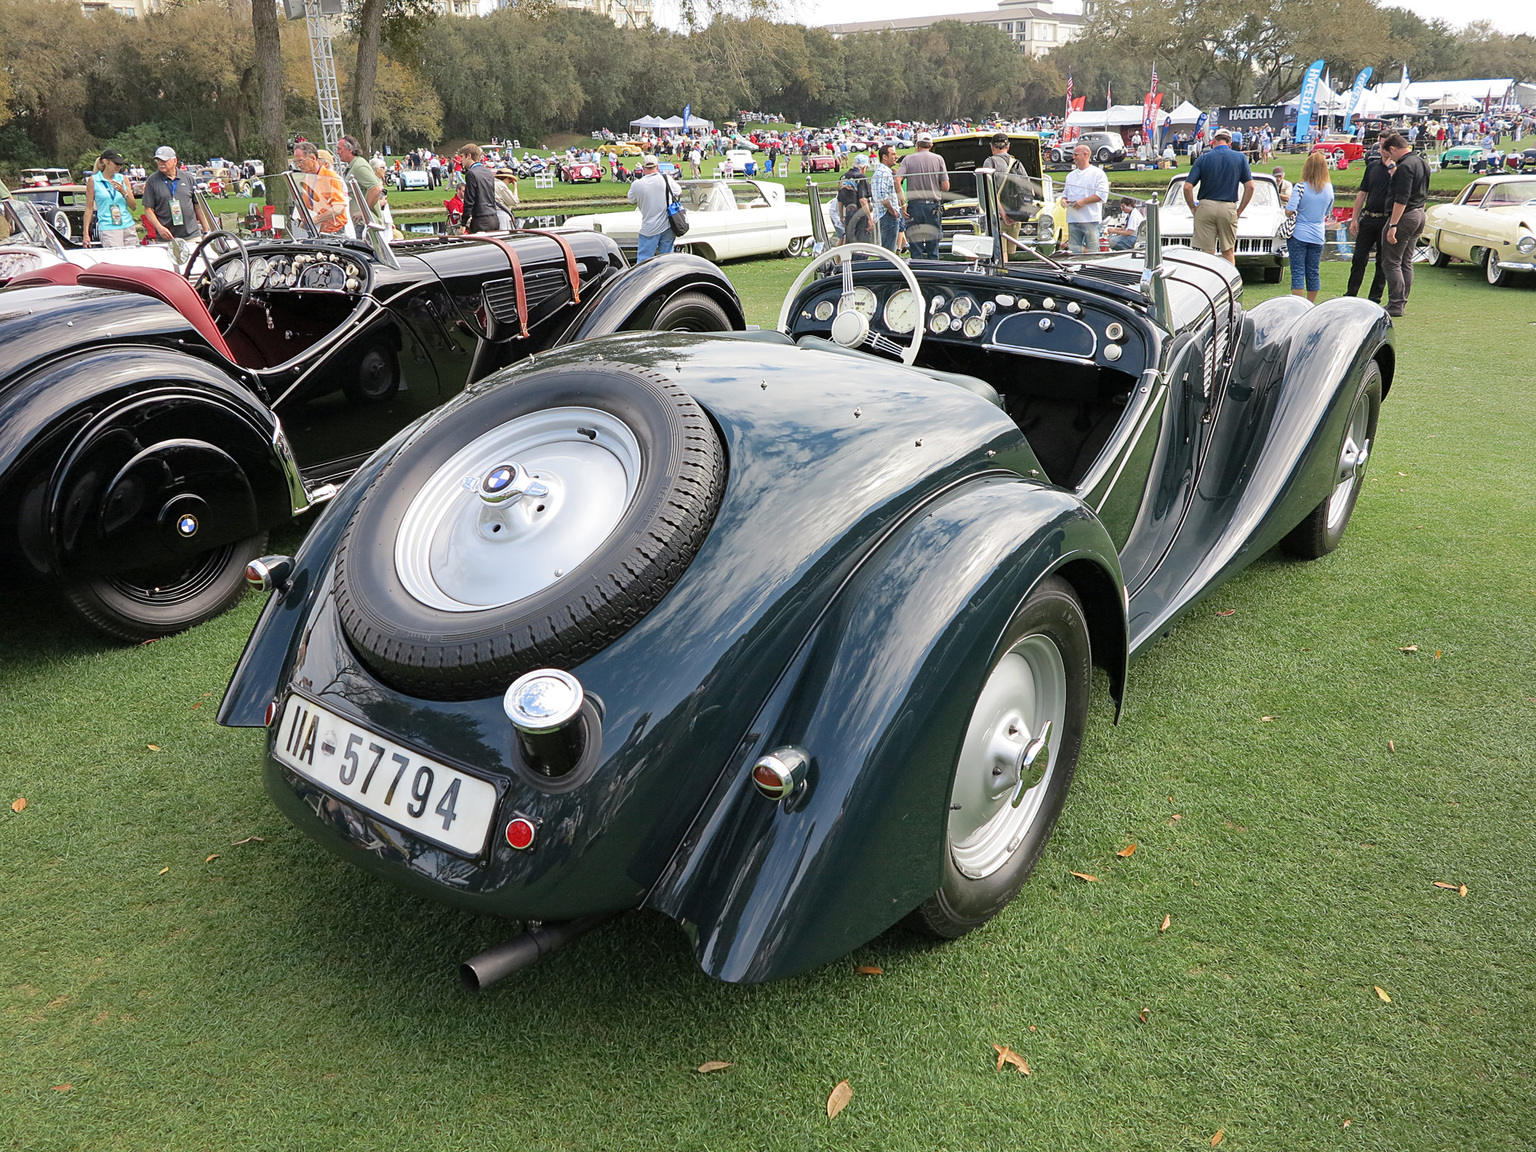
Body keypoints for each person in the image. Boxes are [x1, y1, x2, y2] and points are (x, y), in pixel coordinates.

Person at [1182, 127, 1255, 264]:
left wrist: (1192, 207)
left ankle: (1207, 283)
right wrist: (1239, 211)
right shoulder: (1240, 158)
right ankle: (1230, 283)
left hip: (1206, 206)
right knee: (1228, 251)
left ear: (1213, 141)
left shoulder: (1203, 159)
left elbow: (1187, 187)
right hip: (1228, 207)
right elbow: (1250, 186)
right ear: (1229, 142)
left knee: (1206, 253)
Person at [1378, 130, 1430, 317]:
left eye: (1389, 153)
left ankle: (1396, 304)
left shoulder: (1405, 166)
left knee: (1391, 262)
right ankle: (1401, 301)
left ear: (1392, 148)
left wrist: (1393, 225)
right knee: (1406, 261)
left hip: (1405, 216)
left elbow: (1402, 198)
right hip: (1419, 214)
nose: (1390, 158)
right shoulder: (1422, 162)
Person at [141, 145, 212, 263]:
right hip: (166, 237)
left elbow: (198, 205)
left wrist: (206, 231)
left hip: (191, 235)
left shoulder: (188, 178)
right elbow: (148, 209)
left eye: (164, 160)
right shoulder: (152, 180)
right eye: (158, 161)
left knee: (197, 265)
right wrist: (159, 228)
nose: (161, 163)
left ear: (175, 161)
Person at [1284, 151, 1334, 303]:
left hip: (1299, 233)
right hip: (1318, 234)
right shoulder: (1329, 188)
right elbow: (1328, 211)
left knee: (1298, 271)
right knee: (1313, 271)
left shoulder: (1300, 187)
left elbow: (1289, 211)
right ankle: (1311, 304)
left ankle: (1298, 305)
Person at [1344, 149, 1393, 304]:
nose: (1382, 150)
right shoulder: (1372, 167)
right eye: (1381, 147)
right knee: (1358, 258)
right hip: (1369, 217)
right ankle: (1351, 293)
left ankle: (1375, 298)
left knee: (1382, 261)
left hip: (1386, 219)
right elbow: (1362, 193)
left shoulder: (1398, 169)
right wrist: (1354, 219)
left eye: (1385, 147)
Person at [895, 131, 949, 259]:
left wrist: (903, 203)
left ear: (917, 145)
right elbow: (946, 186)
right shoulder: (938, 159)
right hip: (932, 206)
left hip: (914, 206)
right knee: (933, 244)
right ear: (931, 145)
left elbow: (897, 180)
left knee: (916, 244)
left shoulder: (908, 159)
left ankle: (917, 271)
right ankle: (932, 269)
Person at [981, 132, 1036, 254]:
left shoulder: (990, 162)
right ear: (1008, 146)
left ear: (992, 147)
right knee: (1011, 254)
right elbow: (1030, 190)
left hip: (999, 217)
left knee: (1001, 254)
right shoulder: (1017, 163)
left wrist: (1004, 215)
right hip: (1016, 216)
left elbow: (991, 193)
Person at [627, 155, 679, 263]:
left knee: (643, 261)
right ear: (657, 166)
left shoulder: (637, 184)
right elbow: (678, 192)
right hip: (668, 225)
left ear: (643, 167)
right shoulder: (666, 179)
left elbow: (631, 199)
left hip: (649, 227)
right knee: (667, 261)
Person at [1062, 143, 1110, 253]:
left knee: (1092, 249)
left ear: (1085, 155)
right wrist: (1063, 201)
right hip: (1073, 219)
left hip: (1090, 219)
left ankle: (1093, 268)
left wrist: (1083, 202)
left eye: (1076, 155)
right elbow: (1065, 194)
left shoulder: (1098, 173)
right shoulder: (1070, 176)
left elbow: (1101, 195)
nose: (1073, 157)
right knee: (1074, 250)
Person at [292, 141, 349, 235]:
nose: (298, 165)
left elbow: (339, 208)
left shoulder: (330, 177)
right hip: (317, 230)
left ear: (313, 158)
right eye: (296, 162)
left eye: (301, 161)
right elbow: (307, 206)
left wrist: (315, 220)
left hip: (335, 232)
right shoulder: (308, 178)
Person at [84, 149, 137, 248]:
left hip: (128, 225)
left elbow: (133, 206)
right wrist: (86, 234)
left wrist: (123, 192)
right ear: (105, 161)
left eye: (121, 164)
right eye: (116, 163)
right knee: (116, 261)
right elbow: (89, 208)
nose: (119, 167)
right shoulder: (94, 180)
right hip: (109, 228)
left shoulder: (123, 179)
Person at [337, 134, 382, 215]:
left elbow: (376, 189)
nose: (337, 152)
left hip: (363, 224)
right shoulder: (354, 165)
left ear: (350, 150)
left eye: (339, 149)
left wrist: (364, 212)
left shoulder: (359, 166)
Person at [456, 144, 498, 233]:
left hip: (481, 220)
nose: (461, 160)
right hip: (494, 218)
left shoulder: (471, 174)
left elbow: (469, 200)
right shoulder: (488, 172)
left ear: (469, 156)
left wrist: (463, 224)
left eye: (462, 156)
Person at [870, 144, 902, 252]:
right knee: (888, 251)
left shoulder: (884, 172)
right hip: (887, 216)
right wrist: (892, 210)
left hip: (885, 214)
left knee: (887, 249)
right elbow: (881, 195)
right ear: (884, 157)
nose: (896, 157)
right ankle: (887, 268)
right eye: (893, 154)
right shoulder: (883, 173)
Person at [837, 155, 873, 246]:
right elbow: (863, 199)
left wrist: (842, 216)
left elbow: (840, 200)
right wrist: (869, 218)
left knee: (850, 241)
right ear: (863, 167)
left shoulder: (843, 177)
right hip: (859, 213)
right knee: (861, 242)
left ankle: (851, 260)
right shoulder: (861, 177)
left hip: (848, 213)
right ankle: (859, 260)